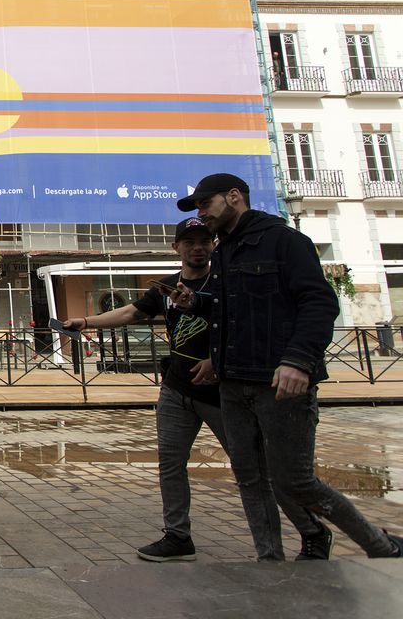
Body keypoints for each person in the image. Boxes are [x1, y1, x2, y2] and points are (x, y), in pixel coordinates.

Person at [63, 218, 327, 561]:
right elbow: (132, 313)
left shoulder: (228, 284)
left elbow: (249, 327)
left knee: (258, 471)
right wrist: (85, 322)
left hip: (223, 393)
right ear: (177, 248)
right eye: (190, 242)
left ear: (213, 246)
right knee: (170, 463)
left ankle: (311, 531)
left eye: (204, 240)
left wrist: (216, 362)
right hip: (176, 388)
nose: (197, 247)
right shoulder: (167, 288)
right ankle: (177, 535)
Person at [171, 173, 402, 560]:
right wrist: (196, 306)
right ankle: (269, 559)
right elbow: (237, 310)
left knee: (294, 480)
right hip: (232, 382)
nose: (202, 214)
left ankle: (379, 546)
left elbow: (319, 303)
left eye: (205, 204)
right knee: (249, 477)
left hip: (279, 384)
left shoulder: (285, 241)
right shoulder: (224, 251)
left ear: (233, 197)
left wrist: (298, 361)